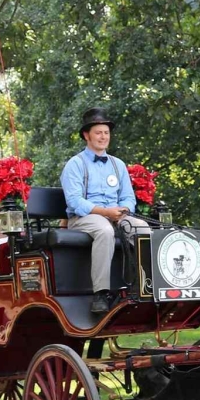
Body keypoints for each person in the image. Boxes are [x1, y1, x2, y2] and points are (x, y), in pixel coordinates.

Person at [59, 107, 150, 314]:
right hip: (84, 217)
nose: (103, 137)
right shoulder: (75, 164)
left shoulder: (118, 165)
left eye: (106, 132)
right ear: (86, 135)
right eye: (98, 132)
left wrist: (123, 210)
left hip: (116, 215)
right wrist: (105, 212)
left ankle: (142, 285)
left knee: (142, 228)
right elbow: (74, 202)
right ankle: (100, 293)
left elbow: (128, 197)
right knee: (104, 230)